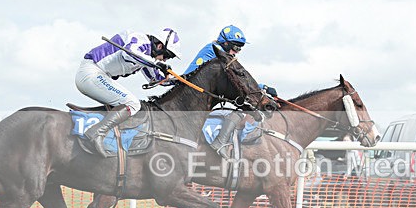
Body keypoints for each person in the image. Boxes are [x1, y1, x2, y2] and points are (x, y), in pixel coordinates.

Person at [76, 28, 181, 157]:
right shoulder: (139, 39)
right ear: (159, 46)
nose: (165, 60)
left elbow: (156, 80)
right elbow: (129, 53)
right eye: (167, 55)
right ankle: (96, 133)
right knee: (133, 103)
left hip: (99, 76)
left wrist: (179, 80)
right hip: (90, 73)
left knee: (129, 103)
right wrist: (156, 64)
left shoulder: (147, 57)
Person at [184, 25, 277, 159]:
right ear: (225, 43)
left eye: (240, 48)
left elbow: (239, 80)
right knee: (238, 107)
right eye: (236, 47)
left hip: (202, 94)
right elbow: (234, 81)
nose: (237, 51)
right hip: (193, 94)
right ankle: (220, 141)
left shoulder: (222, 54)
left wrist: (261, 90)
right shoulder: (215, 52)